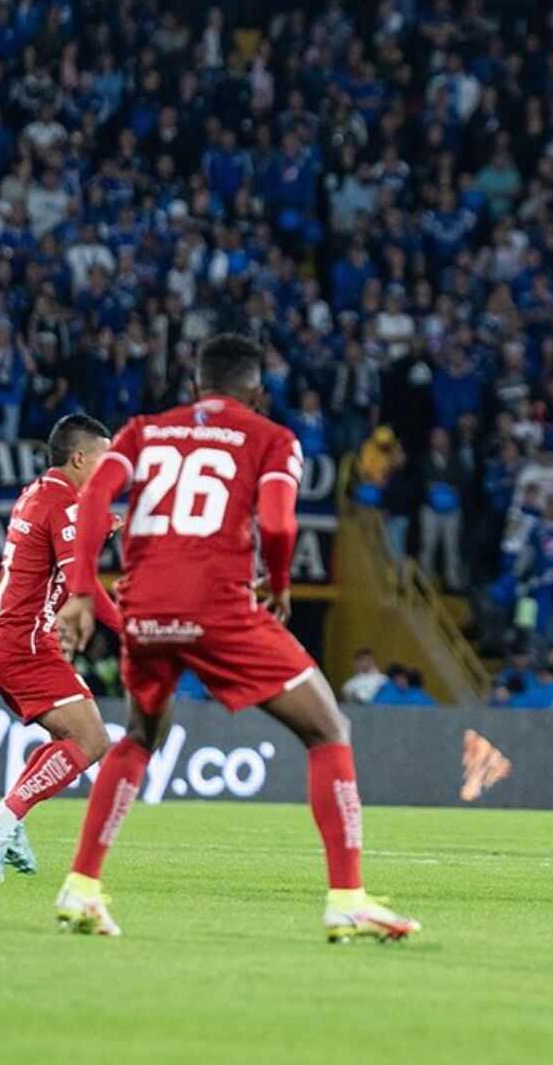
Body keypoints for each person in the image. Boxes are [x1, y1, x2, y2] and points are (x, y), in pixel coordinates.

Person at [56, 334, 418, 942]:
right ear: (257, 393)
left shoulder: (144, 429)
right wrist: (278, 584)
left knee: (141, 735)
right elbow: (277, 521)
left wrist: (83, 591)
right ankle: (348, 897)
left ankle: (81, 887)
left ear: (195, 387)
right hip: (219, 605)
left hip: (143, 610)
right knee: (328, 728)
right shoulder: (272, 437)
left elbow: (94, 495)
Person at [0, 414, 123, 884]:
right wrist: (128, 630)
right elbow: (84, 586)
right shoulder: (64, 504)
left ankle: (8, 819)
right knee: (91, 740)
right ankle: (5, 817)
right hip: (26, 648)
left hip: (9, 644)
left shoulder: (37, 493)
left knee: (71, 740)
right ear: (79, 458)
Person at [370, 665, 437, 706]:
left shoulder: (416, 693)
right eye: (397, 678)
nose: (401, 681)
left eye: (403, 677)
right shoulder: (386, 691)